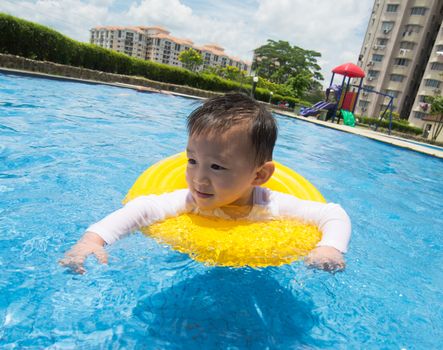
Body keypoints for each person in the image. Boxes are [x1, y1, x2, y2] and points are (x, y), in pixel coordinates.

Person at [61, 93, 351, 274]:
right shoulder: (189, 199)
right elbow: (142, 209)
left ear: (258, 175)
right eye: (192, 161)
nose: (199, 177)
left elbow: (333, 213)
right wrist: (92, 240)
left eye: (216, 166)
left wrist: (330, 248)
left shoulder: (272, 204)